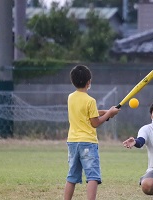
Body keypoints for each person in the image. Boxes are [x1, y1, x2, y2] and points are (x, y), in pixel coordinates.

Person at [64, 65, 120, 200]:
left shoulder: (71, 97)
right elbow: (95, 122)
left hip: (72, 142)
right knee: (92, 176)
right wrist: (109, 114)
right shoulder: (90, 100)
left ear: (73, 81)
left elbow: (87, 114)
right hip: (87, 143)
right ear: (89, 82)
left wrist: (107, 112)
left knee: (72, 176)